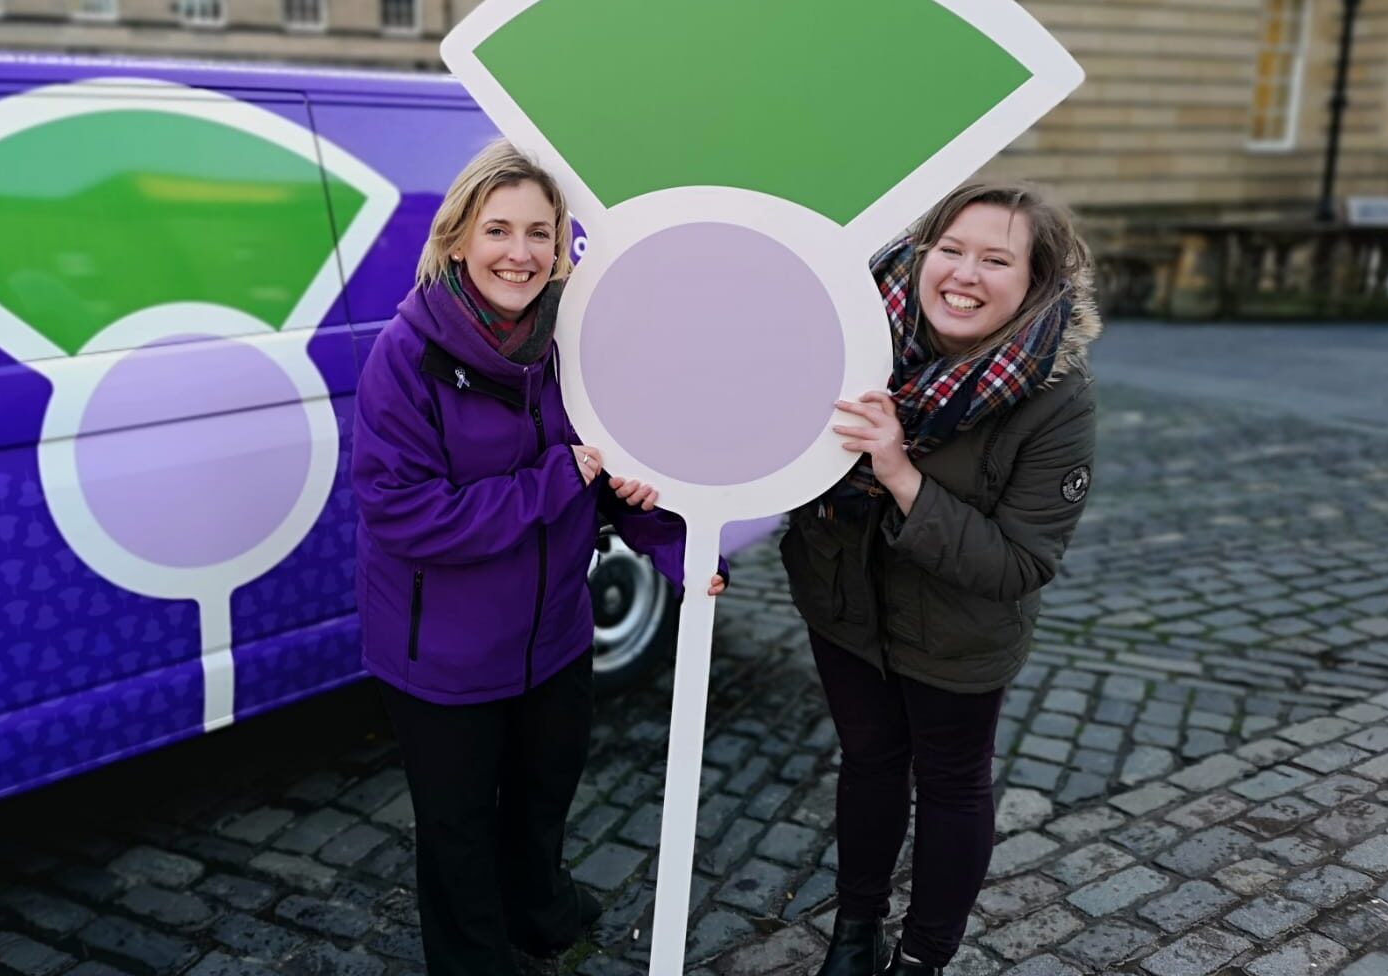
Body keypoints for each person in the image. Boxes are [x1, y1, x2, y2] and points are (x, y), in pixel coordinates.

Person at [351, 139, 723, 976]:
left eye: (539, 233)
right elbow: (405, 513)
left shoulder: (571, 344)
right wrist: (550, 482)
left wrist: (680, 556)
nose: (519, 254)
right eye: (498, 231)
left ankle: (539, 907)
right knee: (456, 825)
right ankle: (473, 958)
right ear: (457, 241)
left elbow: (615, 470)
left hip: (552, 630)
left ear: (561, 246)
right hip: (438, 649)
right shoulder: (405, 356)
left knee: (544, 788)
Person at [784, 182, 1101, 976]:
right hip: (845, 604)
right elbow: (771, 439)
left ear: (1035, 282)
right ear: (923, 253)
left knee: (953, 784)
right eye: (951, 250)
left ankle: (923, 959)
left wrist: (900, 473)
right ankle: (855, 934)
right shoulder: (858, 334)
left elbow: (1022, 563)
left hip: (960, 632)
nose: (964, 274)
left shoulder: (1056, 398)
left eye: (997, 259)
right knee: (867, 763)